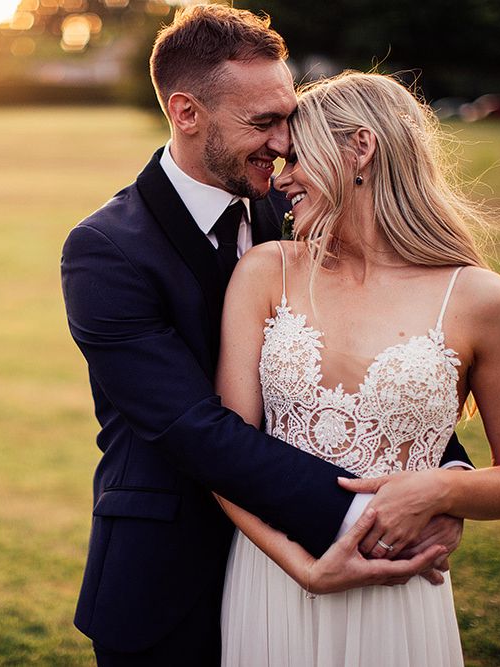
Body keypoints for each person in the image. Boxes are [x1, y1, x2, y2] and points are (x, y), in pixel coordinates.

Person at [61, 6, 472, 666]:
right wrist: (368, 514)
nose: (285, 145)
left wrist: (438, 476)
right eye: (264, 122)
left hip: (311, 574)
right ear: (186, 112)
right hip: (169, 572)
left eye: (288, 117)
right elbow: (192, 426)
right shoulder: (106, 248)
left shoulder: (297, 200)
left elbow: (370, 346)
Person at [216, 71, 500, 665]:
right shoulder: (269, 271)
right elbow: (224, 453)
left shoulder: (481, 300)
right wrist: (307, 568)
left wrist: (441, 488)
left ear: (359, 148)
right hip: (270, 580)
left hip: (396, 594)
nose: (281, 178)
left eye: (297, 159)